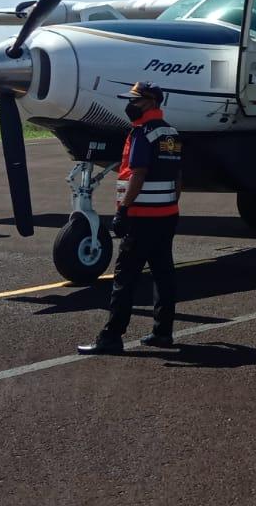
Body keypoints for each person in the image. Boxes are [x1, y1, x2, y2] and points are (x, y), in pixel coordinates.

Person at [78, 82, 183, 355]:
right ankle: (163, 332)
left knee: (125, 278)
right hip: (167, 215)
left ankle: (111, 337)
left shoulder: (142, 133)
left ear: (149, 102)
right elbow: (178, 175)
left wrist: (123, 210)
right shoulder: (170, 132)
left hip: (142, 217)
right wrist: (171, 202)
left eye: (135, 101)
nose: (130, 105)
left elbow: (137, 173)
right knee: (163, 274)